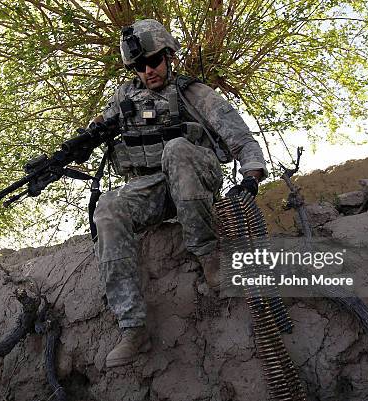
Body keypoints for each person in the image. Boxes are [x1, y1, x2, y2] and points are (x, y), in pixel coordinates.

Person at [92, 19, 268, 368]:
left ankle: (209, 257)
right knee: (108, 207)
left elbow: (238, 135)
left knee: (176, 148)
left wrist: (251, 176)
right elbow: (98, 129)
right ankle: (132, 327)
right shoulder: (124, 99)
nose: (148, 70)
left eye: (154, 61)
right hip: (154, 189)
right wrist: (79, 144)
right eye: (140, 66)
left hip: (196, 176)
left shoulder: (194, 93)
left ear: (169, 56)